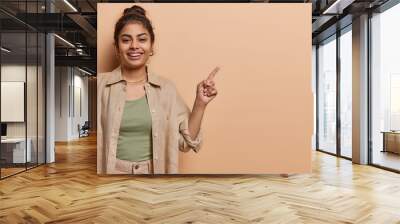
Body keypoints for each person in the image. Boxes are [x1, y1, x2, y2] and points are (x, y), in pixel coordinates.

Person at [97, 5, 219, 174]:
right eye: (126, 40)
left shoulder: (166, 89)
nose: (134, 46)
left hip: (155, 178)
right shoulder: (101, 86)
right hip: (111, 176)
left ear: (151, 45)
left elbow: (185, 143)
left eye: (142, 39)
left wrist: (200, 103)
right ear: (117, 47)